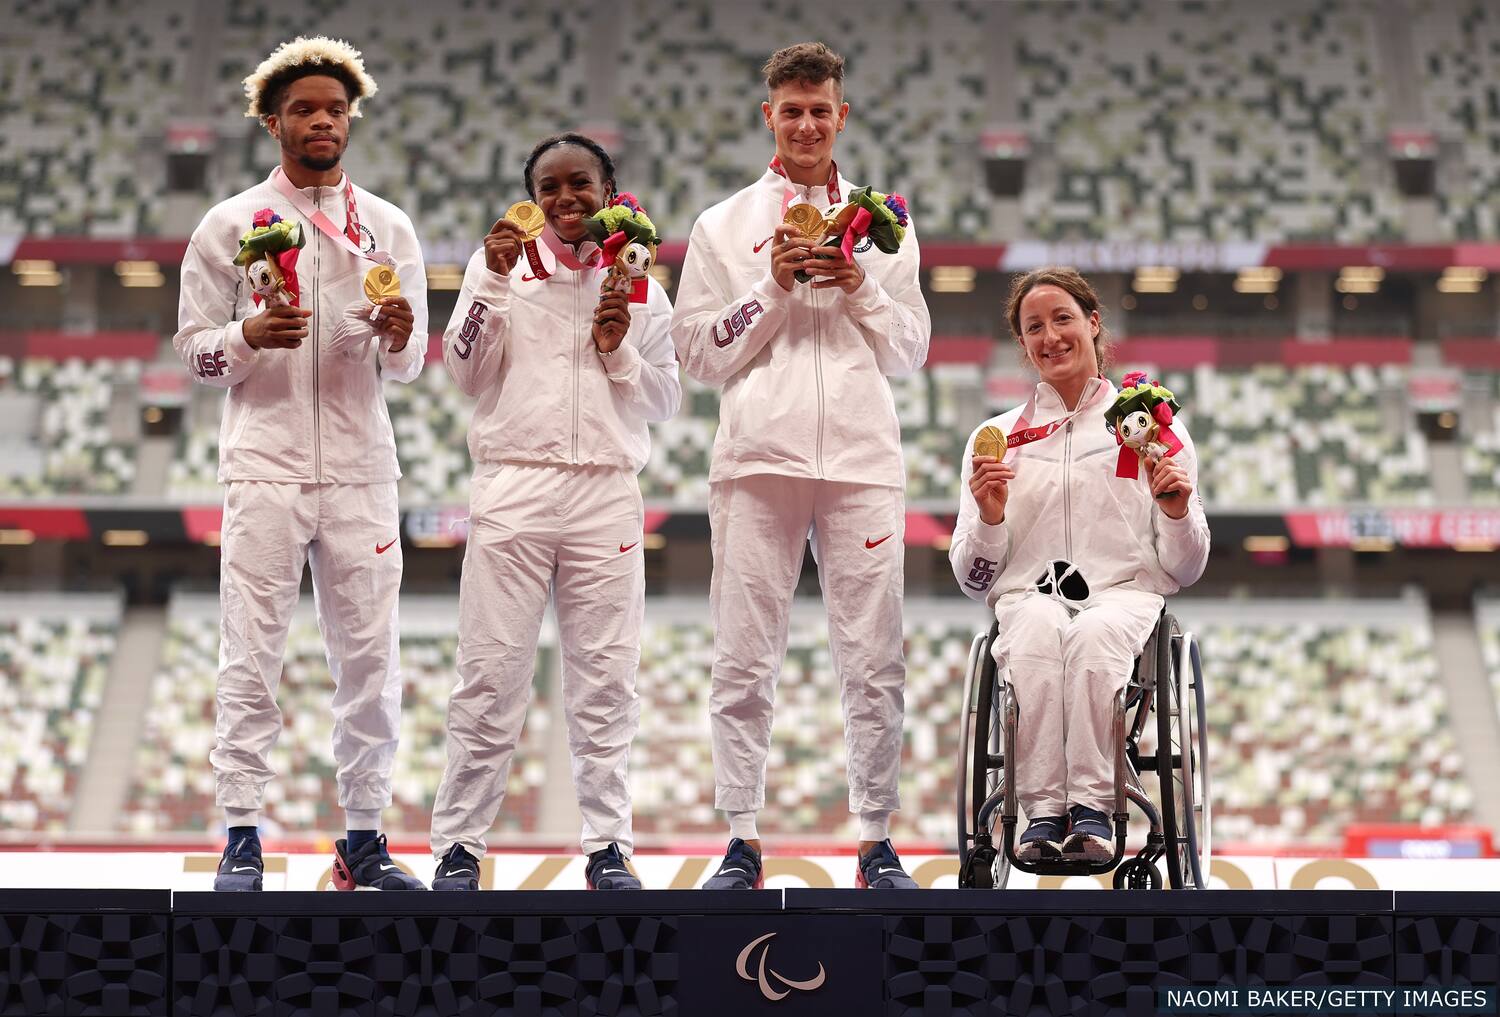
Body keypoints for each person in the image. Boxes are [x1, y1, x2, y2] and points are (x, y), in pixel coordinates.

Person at [670, 43, 931, 889]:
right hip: (758, 460)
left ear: (842, 115)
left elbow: (911, 349)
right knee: (744, 655)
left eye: (822, 110)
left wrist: (858, 284)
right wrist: (771, 290)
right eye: (792, 110)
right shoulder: (724, 225)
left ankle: (874, 836)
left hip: (861, 458)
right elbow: (697, 357)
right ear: (769, 117)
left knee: (873, 654)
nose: (808, 124)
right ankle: (742, 837)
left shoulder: (884, 221)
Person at [175, 37, 427, 891]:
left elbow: (414, 359)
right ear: (273, 120)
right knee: (251, 652)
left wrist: (398, 336)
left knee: (369, 660)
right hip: (266, 465)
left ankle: (364, 835)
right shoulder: (229, 225)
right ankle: (241, 831)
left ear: (349, 117)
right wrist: (245, 336)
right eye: (305, 109)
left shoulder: (388, 226)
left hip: (362, 466)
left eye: (335, 108)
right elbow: (193, 351)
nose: (323, 120)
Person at [427, 134, 681, 891]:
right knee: (489, 674)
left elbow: (665, 399)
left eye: (581, 184)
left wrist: (619, 350)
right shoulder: (496, 264)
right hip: (513, 484)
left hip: (605, 487)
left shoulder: (641, 284)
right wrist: (492, 285)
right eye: (549, 187)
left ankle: (608, 846)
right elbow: (464, 372)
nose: (565, 200)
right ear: (531, 195)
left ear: (610, 190)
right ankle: (459, 847)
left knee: (607, 680)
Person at [950, 268, 1210, 863]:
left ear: (1093, 324)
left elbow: (1188, 567)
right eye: (1033, 327)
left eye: (1063, 319)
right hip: (1029, 598)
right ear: (1023, 345)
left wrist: (1174, 511)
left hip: (1123, 595)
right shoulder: (994, 439)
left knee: (1093, 637)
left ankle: (1093, 809)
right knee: (1041, 632)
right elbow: (974, 581)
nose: (1051, 337)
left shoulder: (1150, 427)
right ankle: (1041, 813)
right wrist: (990, 521)